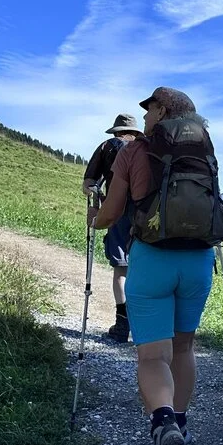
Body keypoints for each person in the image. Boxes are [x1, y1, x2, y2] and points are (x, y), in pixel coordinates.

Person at [91, 86, 223, 445]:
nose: (145, 118)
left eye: (148, 109)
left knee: (152, 354)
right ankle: (180, 427)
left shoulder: (133, 152)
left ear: (163, 109)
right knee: (184, 348)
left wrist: (95, 219)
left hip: (151, 258)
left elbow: (112, 213)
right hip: (199, 260)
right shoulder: (204, 151)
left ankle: (163, 421)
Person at [82, 113, 144, 342]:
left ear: (116, 131)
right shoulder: (145, 148)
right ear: (136, 132)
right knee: (144, 267)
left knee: (121, 269)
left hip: (116, 212)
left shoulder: (107, 147)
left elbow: (88, 184)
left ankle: (122, 325)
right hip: (146, 214)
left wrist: (96, 197)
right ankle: (144, 327)